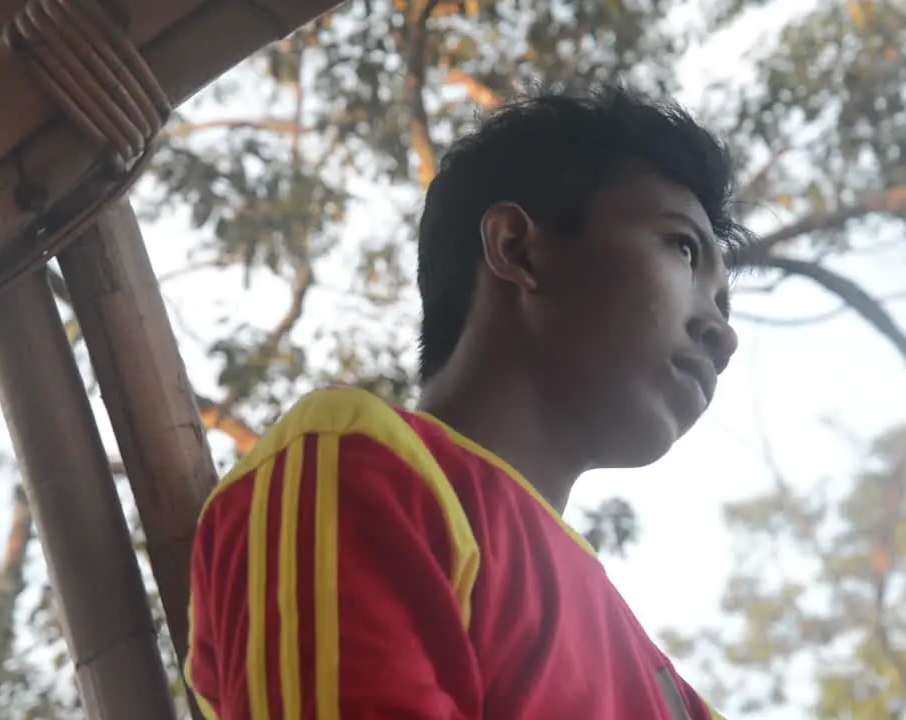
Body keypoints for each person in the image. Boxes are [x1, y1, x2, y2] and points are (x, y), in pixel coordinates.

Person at [184, 84, 750, 719]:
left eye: (725, 304)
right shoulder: (354, 465)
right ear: (517, 248)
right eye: (682, 248)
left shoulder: (669, 688)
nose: (722, 332)